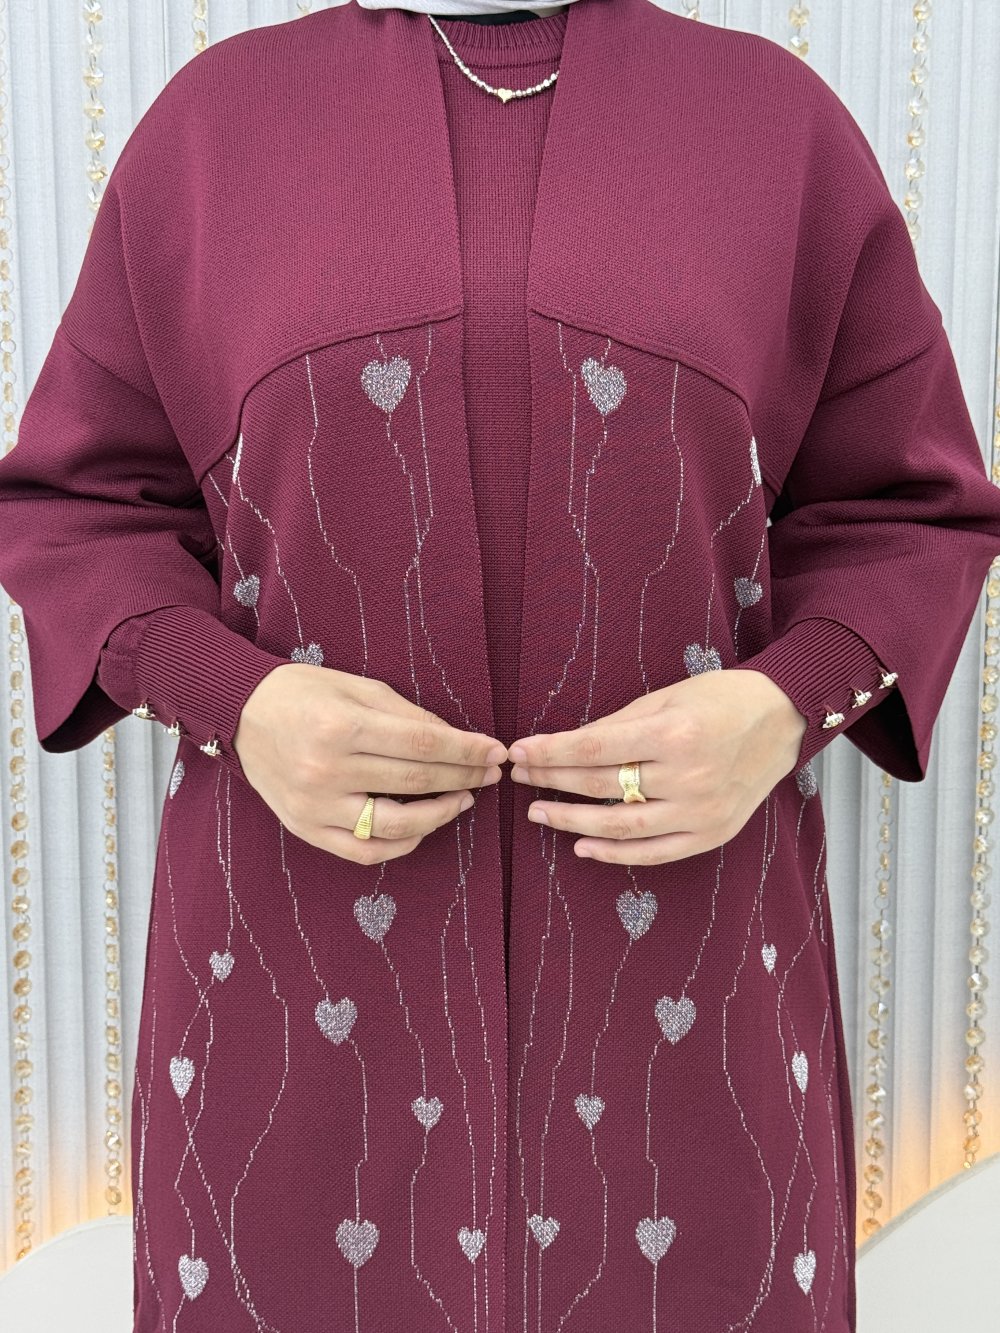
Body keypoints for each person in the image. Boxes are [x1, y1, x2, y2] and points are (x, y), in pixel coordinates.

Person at [1, 0, 998, 1328]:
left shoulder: (776, 129)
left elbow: (909, 508)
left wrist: (783, 702)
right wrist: (240, 701)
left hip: (692, 1006)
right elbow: (79, 506)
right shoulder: (213, 133)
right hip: (293, 1011)